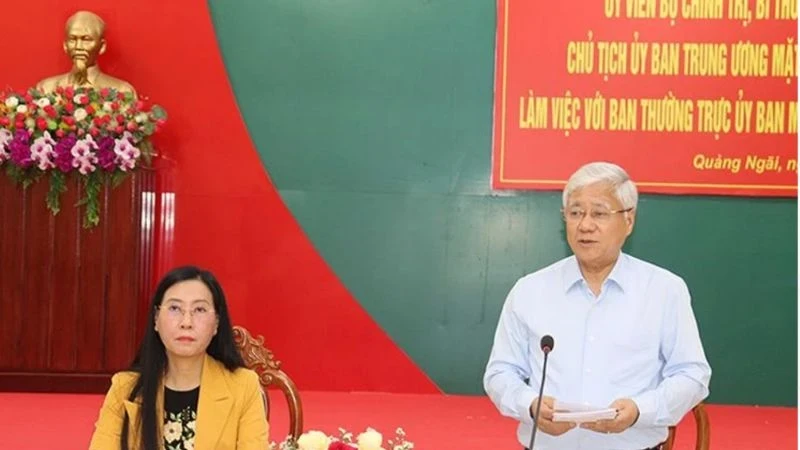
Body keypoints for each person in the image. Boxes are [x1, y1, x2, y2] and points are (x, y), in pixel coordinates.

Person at [483, 162, 711, 450]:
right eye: (575, 213)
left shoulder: (664, 290)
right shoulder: (530, 290)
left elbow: (692, 375)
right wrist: (530, 405)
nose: (585, 225)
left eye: (600, 213)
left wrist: (640, 410)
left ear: (629, 221)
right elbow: (500, 373)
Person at [89, 266, 269, 450]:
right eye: (175, 308)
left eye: (199, 309)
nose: (186, 322)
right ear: (156, 319)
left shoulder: (243, 386)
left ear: (216, 323)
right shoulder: (125, 388)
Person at [36, 10, 137, 96]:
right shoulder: (46, 89)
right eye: (72, 39)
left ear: (102, 46)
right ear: (65, 45)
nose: (78, 47)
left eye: (86, 40)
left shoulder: (121, 91)